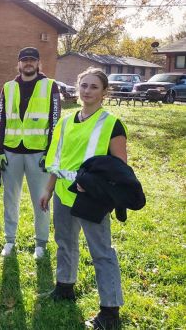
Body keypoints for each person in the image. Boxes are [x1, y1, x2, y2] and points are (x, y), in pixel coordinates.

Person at [40, 67, 127, 329]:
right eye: (84, 86)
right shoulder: (65, 121)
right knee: (64, 242)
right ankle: (64, 287)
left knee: (101, 252)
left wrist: (95, 187)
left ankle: (110, 311)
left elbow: (120, 168)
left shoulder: (112, 124)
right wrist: (48, 188)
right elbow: (56, 159)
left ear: (104, 92)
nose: (87, 91)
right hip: (64, 195)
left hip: (92, 198)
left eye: (94, 87)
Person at [0, 47, 61, 259]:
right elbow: (0, 119)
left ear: (38, 63)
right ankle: (9, 240)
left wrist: (49, 153)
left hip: (38, 153)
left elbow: (55, 123)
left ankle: (40, 243)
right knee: (10, 199)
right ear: (19, 63)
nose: (28, 63)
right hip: (10, 152)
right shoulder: (8, 87)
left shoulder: (50, 86)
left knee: (41, 200)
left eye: (32, 60)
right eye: (25, 60)